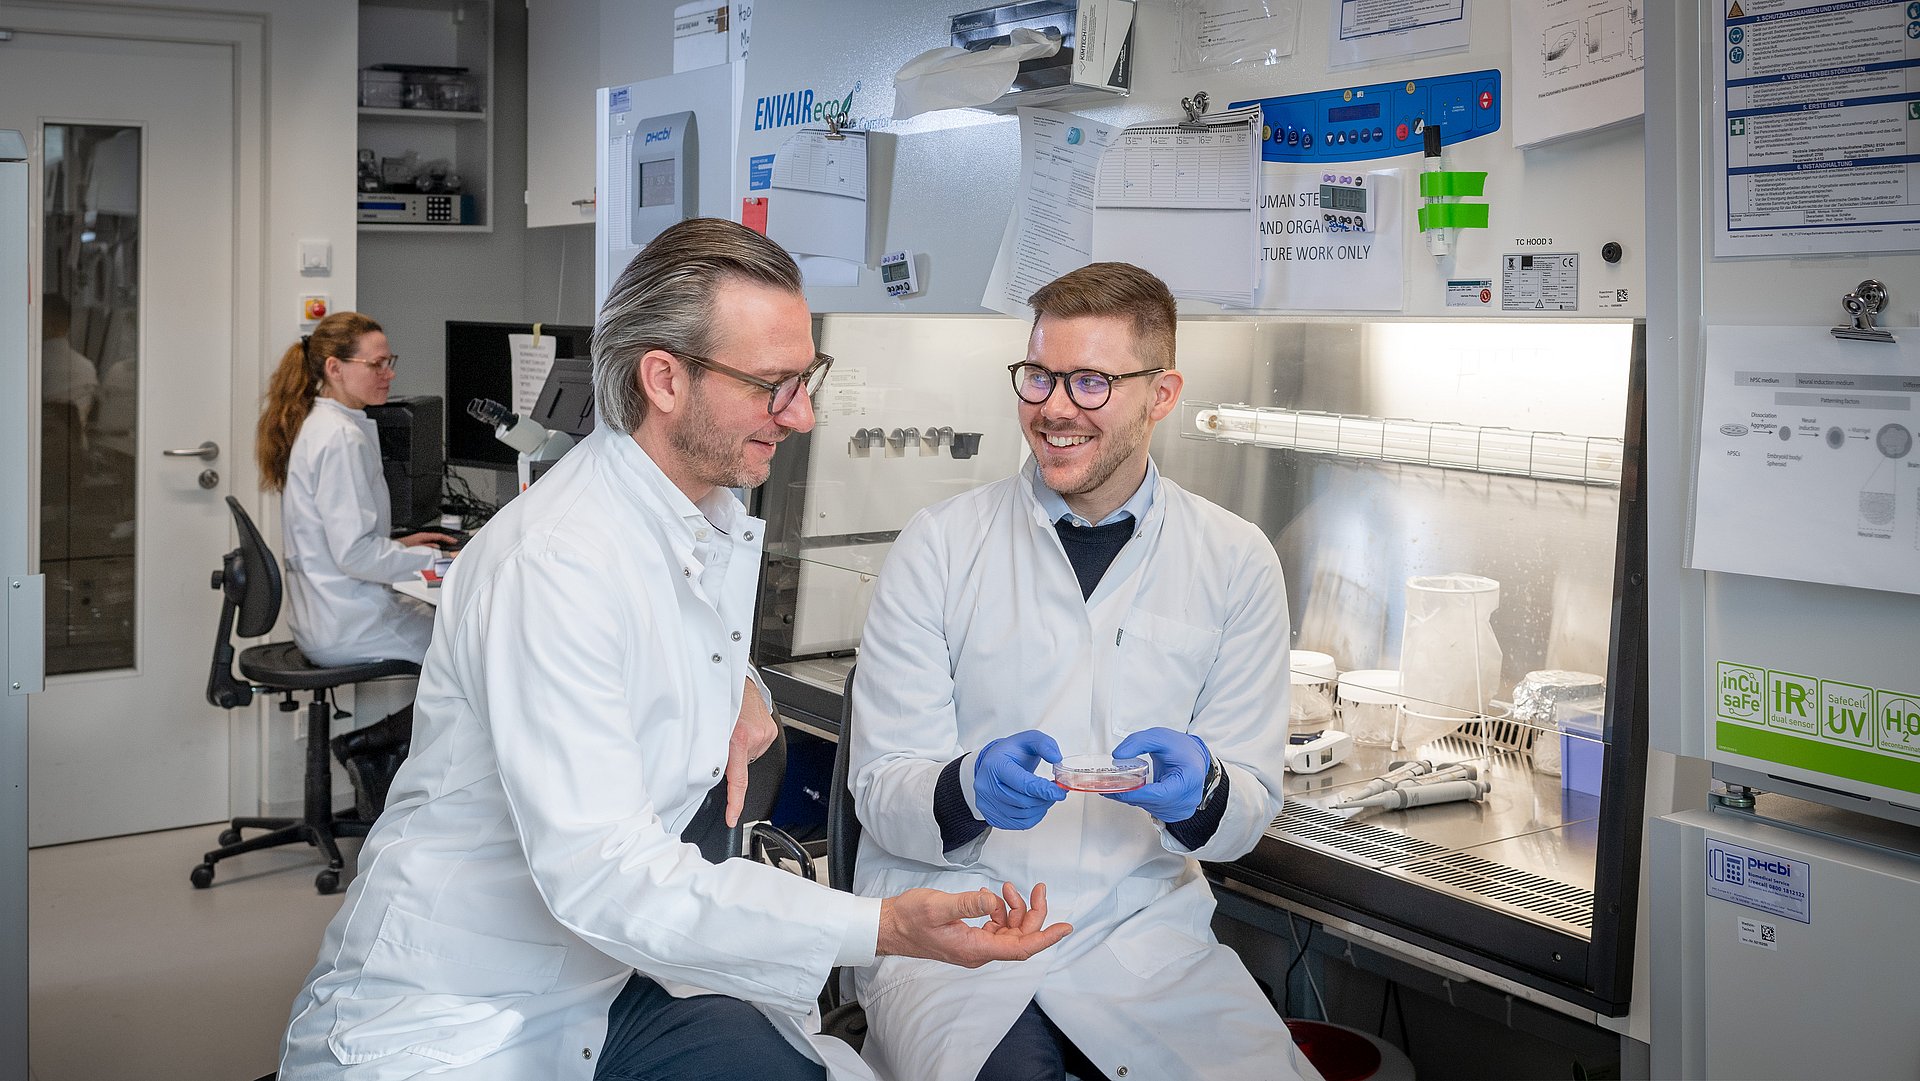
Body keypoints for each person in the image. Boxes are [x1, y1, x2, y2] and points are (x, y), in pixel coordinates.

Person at [278, 218, 1071, 1081]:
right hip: (467, 1005)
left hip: (608, 976)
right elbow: (607, 878)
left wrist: (744, 684)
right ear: (663, 378)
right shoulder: (556, 562)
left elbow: (680, 626)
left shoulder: (701, 513)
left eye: (806, 379)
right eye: (772, 385)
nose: (802, 415)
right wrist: (882, 925)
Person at [848, 263, 1322, 1081]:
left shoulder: (1235, 559)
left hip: (1141, 936)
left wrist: (1206, 792)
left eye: (1091, 381)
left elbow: (1246, 808)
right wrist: (965, 789)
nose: (1055, 407)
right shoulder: (939, 545)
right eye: (1039, 375)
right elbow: (883, 785)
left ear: (1162, 394)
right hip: (959, 926)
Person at [256, 311, 457, 817]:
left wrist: (403, 546)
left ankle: (380, 752)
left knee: (463, 644)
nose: (389, 373)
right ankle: (372, 749)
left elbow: (345, 541)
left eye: (390, 361)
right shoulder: (338, 438)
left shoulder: (328, 425)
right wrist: (439, 560)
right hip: (347, 619)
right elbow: (356, 555)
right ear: (335, 368)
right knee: (473, 650)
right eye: (376, 364)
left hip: (329, 612)